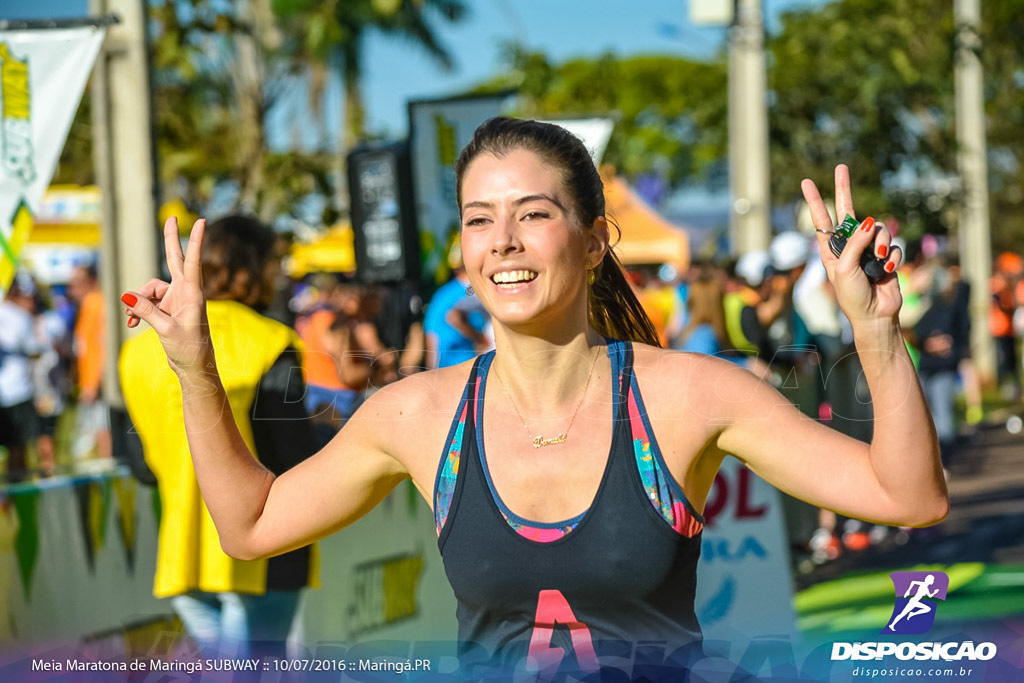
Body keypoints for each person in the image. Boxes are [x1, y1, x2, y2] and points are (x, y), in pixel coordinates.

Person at [120, 118, 947, 680]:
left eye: (533, 213)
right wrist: (194, 366)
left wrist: (876, 335)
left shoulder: (686, 393)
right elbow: (252, 524)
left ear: (592, 242)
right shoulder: (417, 414)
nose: (503, 241)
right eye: (480, 219)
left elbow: (905, 495)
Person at [119, 215, 319, 662]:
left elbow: (140, 464)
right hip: (265, 551)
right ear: (254, 268)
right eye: (274, 262)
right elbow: (293, 455)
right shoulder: (270, 339)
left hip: (182, 553)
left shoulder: (137, 349)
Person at [67, 263, 112, 462]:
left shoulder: (95, 303)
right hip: (89, 382)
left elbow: (102, 345)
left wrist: (93, 383)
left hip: (95, 384)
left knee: (101, 430)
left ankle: (106, 479)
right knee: (94, 432)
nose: (72, 289)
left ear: (91, 282)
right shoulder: (87, 305)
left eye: (78, 283)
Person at [0, 276, 42, 482]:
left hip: (9, 391)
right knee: (18, 449)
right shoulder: (20, 316)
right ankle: (18, 498)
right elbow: (33, 349)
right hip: (18, 390)